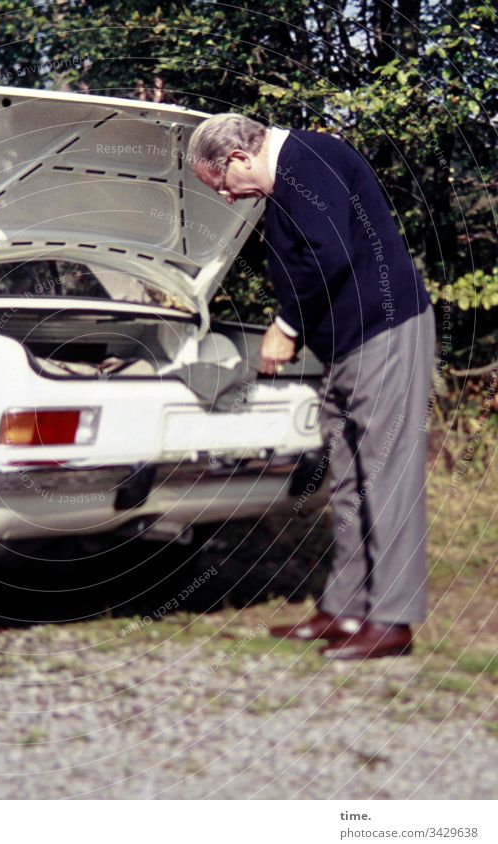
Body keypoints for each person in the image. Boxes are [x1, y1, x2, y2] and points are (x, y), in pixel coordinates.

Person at [187, 114, 435, 660]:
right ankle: (345, 610)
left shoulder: (309, 161)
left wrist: (287, 325)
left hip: (386, 334)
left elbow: (331, 254)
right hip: (347, 345)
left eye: (223, 185)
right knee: (348, 476)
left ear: (237, 159)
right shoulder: (285, 181)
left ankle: (392, 621)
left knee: (386, 474)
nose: (228, 197)